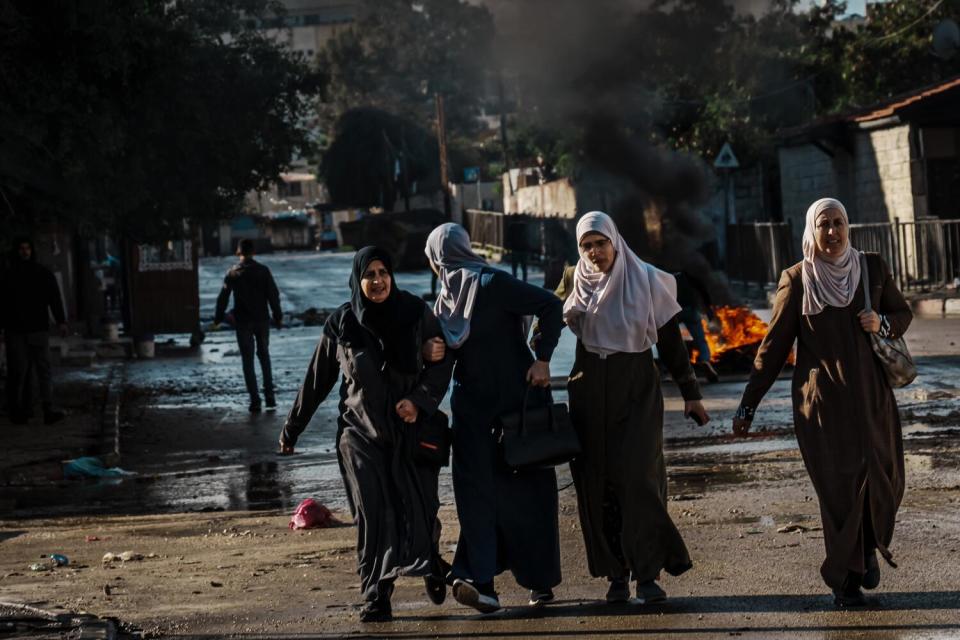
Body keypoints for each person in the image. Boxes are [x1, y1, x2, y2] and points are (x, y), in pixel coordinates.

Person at [733, 197, 912, 608]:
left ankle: (866, 548)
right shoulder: (797, 280)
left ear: (848, 226)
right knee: (838, 490)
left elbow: (901, 313)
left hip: (873, 399)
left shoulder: (872, 268)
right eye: (823, 225)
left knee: (885, 477)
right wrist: (748, 404)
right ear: (811, 231)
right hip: (822, 408)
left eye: (838, 223)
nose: (832, 233)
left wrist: (880, 322)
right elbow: (773, 349)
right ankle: (844, 577)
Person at [278, 247, 453, 622]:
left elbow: (442, 365)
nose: (377, 281)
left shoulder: (416, 313)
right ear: (357, 280)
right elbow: (317, 379)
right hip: (360, 433)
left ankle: (430, 562)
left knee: (421, 507)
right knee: (375, 513)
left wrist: (418, 401)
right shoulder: (343, 323)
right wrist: (293, 427)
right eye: (369, 274)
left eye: (383, 272)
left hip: (410, 431)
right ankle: (377, 593)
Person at [555, 211, 710, 604]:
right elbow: (545, 317)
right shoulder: (575, 280)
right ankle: (616, 574)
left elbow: (672, 343)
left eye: (600, 243)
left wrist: (691, 393)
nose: (594, 252)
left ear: (614, 241)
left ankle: (648, 573)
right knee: (597, 483)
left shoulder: (646, 278)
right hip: (588, 388)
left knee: (640, 480)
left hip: (637, 386)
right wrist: (537, 358)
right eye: (586, 245)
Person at [425, 222, 564, 613]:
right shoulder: (445, 300)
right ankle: (481, 583)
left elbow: (550, 306)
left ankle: (539, 581)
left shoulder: (491, 283)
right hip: (471, 413)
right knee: (475, 495)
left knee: (528, 493)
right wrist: (428, 359)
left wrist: (542, 359)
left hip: (516, 407)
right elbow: (443, 360)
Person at [1, 237, 67, 425]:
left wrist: (61, 321)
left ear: (31, 250)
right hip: (17, 330)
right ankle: (20, 410)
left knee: (41, 370)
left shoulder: (41, 274)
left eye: (27, 248)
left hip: (36, 329)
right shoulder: (9, 275)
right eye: (22, 248)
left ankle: (45, 409)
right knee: (19, 371)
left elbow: (54, 298)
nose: (25, 252)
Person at [214, 239, 282, 413]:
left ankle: (255, 400)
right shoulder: (263, 271)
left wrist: (218, 317)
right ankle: (270, 397)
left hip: (243, 321)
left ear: (238, 252)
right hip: (262, 320)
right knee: (264, 356)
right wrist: (278, 316)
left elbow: (223, 296)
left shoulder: (233, 273)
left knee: (247, 360)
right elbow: (273, 295)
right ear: (254, 251)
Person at [675, 269, 720, 383]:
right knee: (700, 340)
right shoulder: (688, 275)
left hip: (673, 312)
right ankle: (705, 360)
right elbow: (703, 291)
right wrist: (709, 311)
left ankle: (677, 370)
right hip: (690, 310)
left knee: (675, 342)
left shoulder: (662, 275)